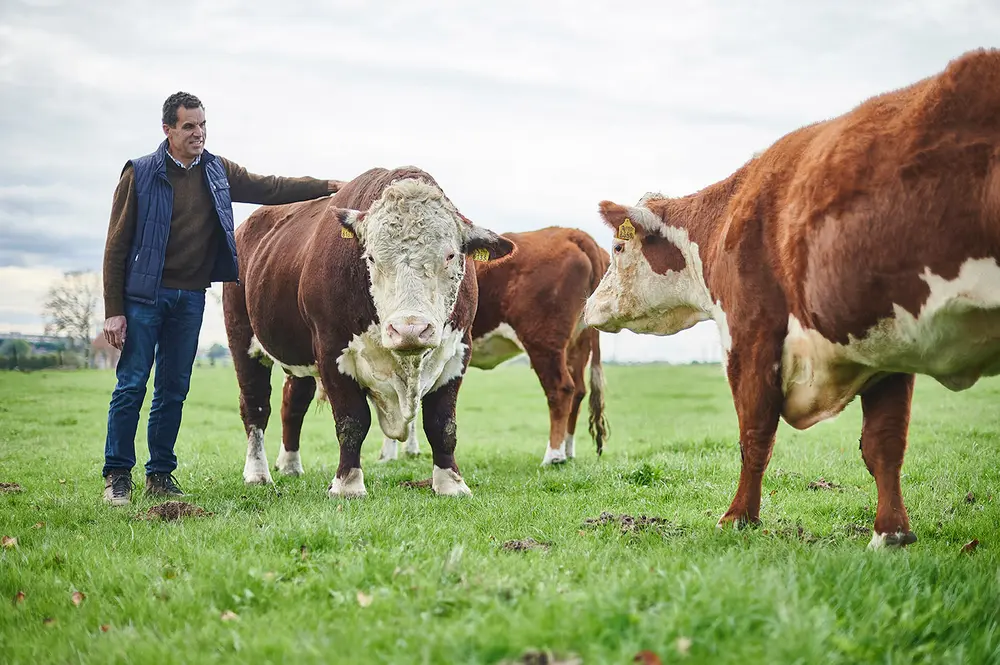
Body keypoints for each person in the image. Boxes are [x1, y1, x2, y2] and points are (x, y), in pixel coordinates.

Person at [100, 91, 344, 506]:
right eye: (189, 126)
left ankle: (160, 474)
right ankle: (117, 475)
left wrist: (329, 186)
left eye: (203, 125)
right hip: (144, 297)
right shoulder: (139, 174)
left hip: (191, 297)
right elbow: (115, 247)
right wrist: (114, 311)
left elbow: (272, 186)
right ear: (168, 130)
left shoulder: (217, 170)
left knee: (173, 388)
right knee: (132, 385)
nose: (199, 133)